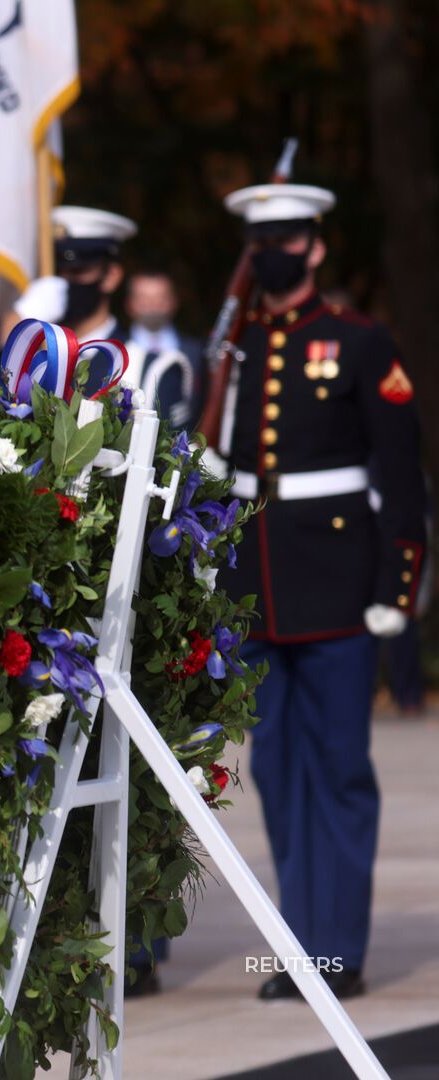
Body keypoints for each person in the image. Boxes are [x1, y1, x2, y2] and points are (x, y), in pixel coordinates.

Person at [212, 183, 425, 1002]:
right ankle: (297, 949)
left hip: (339, 588)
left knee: (338, 768)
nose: (274, 252)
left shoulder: (359, 342)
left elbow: (400, 477)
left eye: (287, 238)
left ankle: (338, 951)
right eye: (260, 240)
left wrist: (396, 586)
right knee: (277, 769)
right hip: (258, 586)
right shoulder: (233, 349)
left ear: (315, 246)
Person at [11, 207, 202, 427]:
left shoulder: (151, 371)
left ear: (111, 276)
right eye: (59, 271)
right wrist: (22, 320)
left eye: (79, 271)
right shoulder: (36, 359)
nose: (65, 282)